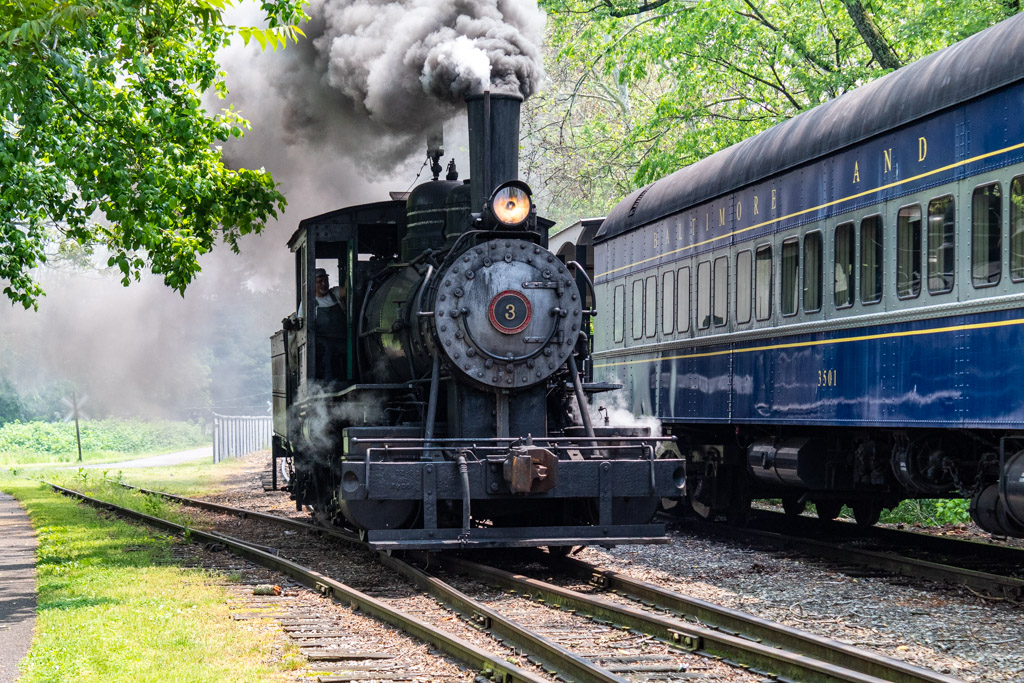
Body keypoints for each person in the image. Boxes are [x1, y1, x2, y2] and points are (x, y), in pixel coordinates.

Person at [311, 268, 348, 382]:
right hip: (322, 339)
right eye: (319, 281)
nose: (324, 284)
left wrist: (349, 273)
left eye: (326, 280)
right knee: (326, 351)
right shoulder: (309, 302)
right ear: (312, 283)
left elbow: (346, 291)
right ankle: (328, 383)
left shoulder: (334, 293)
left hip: (341, 338)